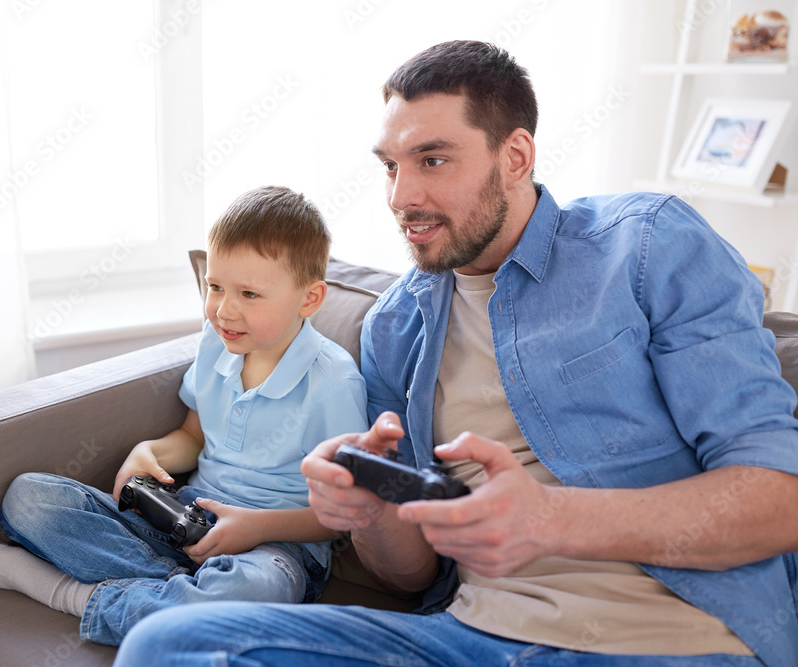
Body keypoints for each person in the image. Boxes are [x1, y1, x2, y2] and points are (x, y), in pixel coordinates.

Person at [114, 40, 798, 666]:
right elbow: (409, 574)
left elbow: (780, 499)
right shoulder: (396, 327)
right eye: (390, 166)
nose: (401, 197)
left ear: (517, 157)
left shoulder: (647, 248)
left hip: (669, 644)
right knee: (166, 645)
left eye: (433, 160)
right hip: (463, 640)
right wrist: (368, 507)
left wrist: (551, 518)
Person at [0, 185, 368, 646]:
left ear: (309, 299)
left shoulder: (333, 383)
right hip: (186, 517)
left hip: (275, 549)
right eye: (216, 287)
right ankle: (183, 593)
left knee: (247, 588)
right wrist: (149, 452)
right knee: (28, 500)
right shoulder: (214, 344)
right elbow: (192, 436)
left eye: (249, 294)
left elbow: (346, 515)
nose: (224, 309)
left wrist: (257, 527)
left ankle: (73, 595)